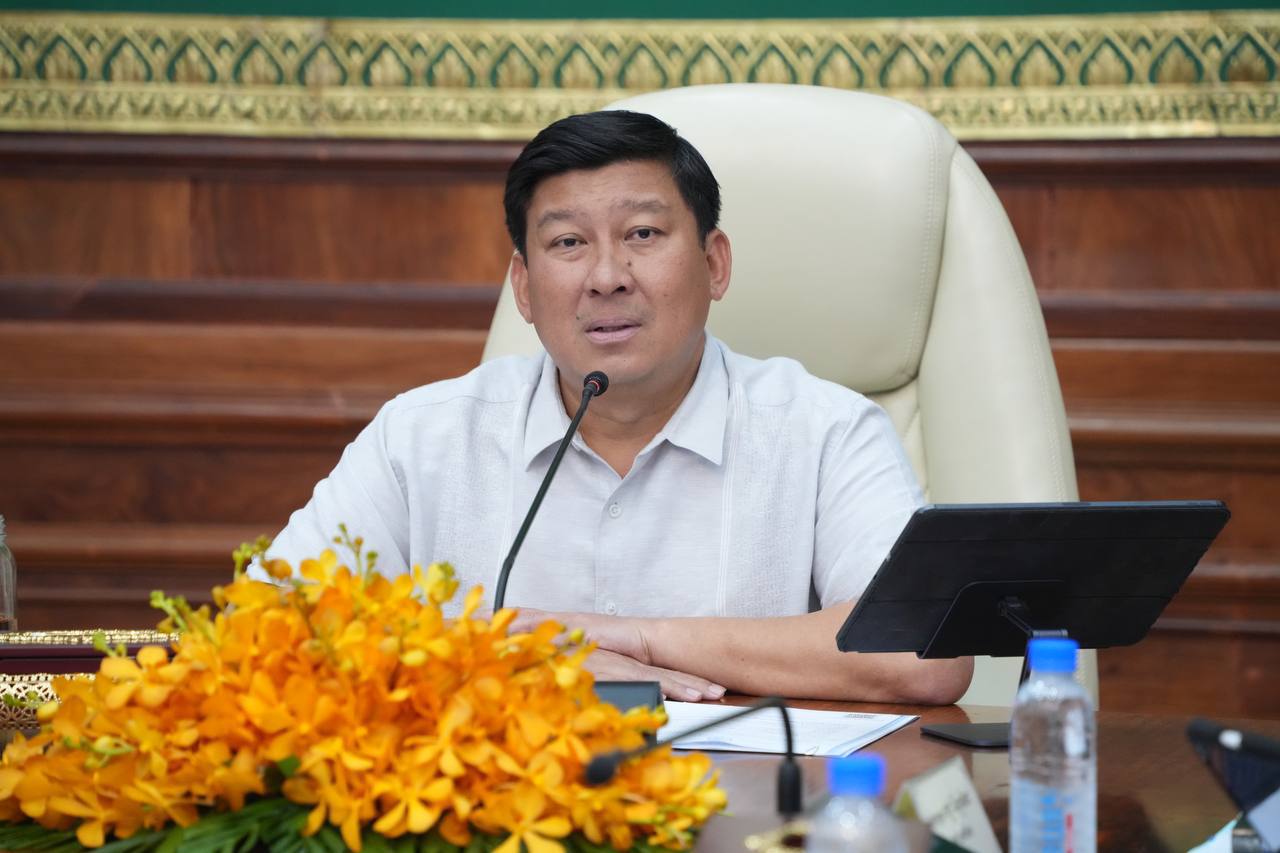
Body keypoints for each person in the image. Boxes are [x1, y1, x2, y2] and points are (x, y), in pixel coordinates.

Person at [266, 110, 973, 705]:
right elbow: (269, 627)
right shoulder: (421, 437)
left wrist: (640, 639)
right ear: (523, 287)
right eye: (568, 243)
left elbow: (926, 654)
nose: (607, 277)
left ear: (715, 263)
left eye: (642, 234)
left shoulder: (827, 431)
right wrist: (523, 655)